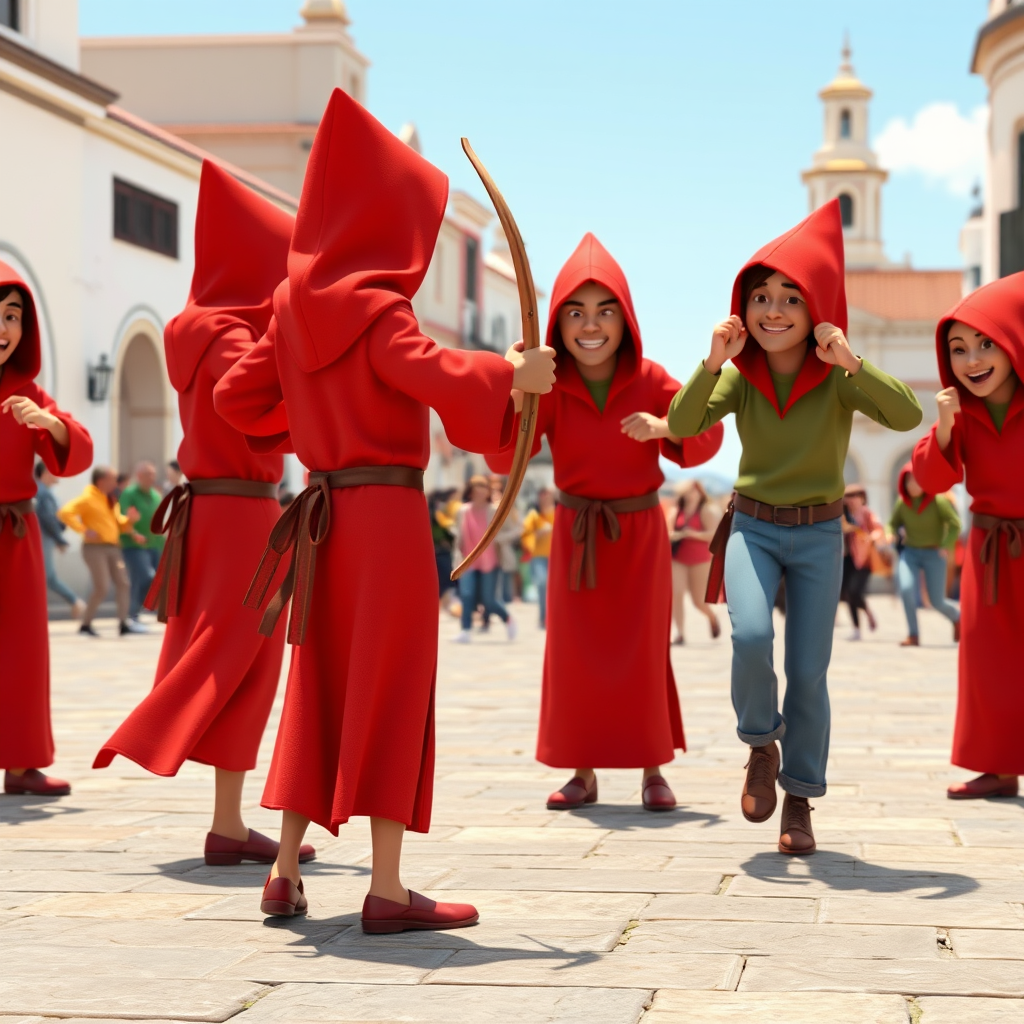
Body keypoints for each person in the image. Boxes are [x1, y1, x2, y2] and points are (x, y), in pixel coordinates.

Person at [213, 90, 556, 929]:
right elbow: (431, 373)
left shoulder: (293, 308)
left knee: (319, 688)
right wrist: (515, 376)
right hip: (388, 526)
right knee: (393, 688)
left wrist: (317, 424)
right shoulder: (379, 308)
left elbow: (234, 397)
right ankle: (389, 888)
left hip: (320, 520)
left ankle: (286, 872)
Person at [668, 200, 922, 854]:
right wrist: (712, 361)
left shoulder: (837, 381)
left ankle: (801, 799)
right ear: (742, 308)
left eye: (790, 297)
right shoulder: (742, 378)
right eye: (761, 296)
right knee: (750, 636)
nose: (773, 310)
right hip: (752, 528)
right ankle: (760, 745)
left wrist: (853, 363)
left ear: (817, 311)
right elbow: (685, 422)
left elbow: (905, 414)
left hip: (818, 537)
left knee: (808, 670)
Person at [94, 160, 307, 868]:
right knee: (230, 655)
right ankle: (148, 732)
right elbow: (259, 407)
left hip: (223, 514)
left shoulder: (201, 328)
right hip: (243, 517)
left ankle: (226, 824)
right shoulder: (230, 335)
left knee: (249, 668)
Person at [487, 233, 724, 813]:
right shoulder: (548, 381)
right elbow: (503, 459)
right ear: (559, 323)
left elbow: (706, 438)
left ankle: (652, 768)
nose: (590, 325)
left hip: (640, 534)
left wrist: (665, 429)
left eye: (604, 311)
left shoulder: (651, 376)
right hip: (574, 533)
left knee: (644, 650)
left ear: (625, 319)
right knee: (576, 653)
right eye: (575, 312)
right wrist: (517, 390)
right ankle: (582, 771)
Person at [911, 271, 1024, 800]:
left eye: (986, 343)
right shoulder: (962, 415)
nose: (972, 360)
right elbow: (931, 481)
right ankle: (996, 767)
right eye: (958, 349)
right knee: (988, 661)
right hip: (989, 551)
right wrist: (947, 430)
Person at [0, 263, 93, 796]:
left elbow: (74, 449)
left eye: (12, 315)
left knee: (22, 653)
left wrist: (48, 421)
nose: (4, 327)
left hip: (15, 537)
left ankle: (20, 762)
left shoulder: (28, 391)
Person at [58, 466, 144, 637]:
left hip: (113, 547)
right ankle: (86, 624)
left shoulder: (110, 499)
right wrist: (82, 529)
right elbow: (65, 512)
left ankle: (122, 623)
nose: (115, 482)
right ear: (101, 481)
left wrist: (129, 520)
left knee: (123, 583)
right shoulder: (88, 498)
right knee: (102, 586)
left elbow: (119, 523)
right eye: (113, 479)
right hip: (94, 549)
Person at [889, 464, 961, 647]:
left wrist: (946, 544)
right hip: (910, 553)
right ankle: (913, 635)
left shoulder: (939, 501)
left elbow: (955, 524)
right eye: (908, 480)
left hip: (934, 554)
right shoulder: (902, 503)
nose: (912, 485)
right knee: (905, 589)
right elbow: (892, 523)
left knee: (937, 601)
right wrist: (889, 533)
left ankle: (957, 617)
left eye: (916, 480)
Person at [452, 475, 516, 643]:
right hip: (467, 561)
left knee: (489, 600)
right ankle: (465, 630)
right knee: (466, 595)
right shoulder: (463, 510)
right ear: (471, 492)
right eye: (477, 489)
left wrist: (499, 538)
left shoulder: (495, 510)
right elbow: (459, 537)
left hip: (490, 561)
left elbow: (515, 530)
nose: (481, 493)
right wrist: (456, 559)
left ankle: (508, 619)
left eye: (484, 489)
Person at [669, 479, 721, 644]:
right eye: (689, 491)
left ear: (700, 492)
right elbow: (668, 531)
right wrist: (674, 535)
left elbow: (714, 535)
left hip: (700, 560)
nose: (692, 494)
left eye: (694, 491)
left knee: (698, 601)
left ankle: (712, 617)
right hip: (678, 558)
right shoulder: (676, 511)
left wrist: (691, 534)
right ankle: (680, 633)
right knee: (676, 594)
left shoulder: (706, 511)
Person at [34, 461, 85, 618]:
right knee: (47, 576)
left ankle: (74, 601)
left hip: (43, 538)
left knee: (44, 576)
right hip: (42, 538)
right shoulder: (43, 492)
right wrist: (60, 539)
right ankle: (75, 601)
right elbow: (47, 518)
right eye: (53, 471)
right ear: (45, 474)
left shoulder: (42, 491)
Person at [119, 461, 165, 628]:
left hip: (155, 545)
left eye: (153, 474)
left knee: (154, 579)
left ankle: (137, 613)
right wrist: (133, 533)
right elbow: (123, 516)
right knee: (144, 577)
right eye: (148, 474)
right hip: (134, 545)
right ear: (139, 476)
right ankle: (132, 614)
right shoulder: (129, 493)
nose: (151, 478)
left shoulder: (155, 495)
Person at [840, 484, 883, 641]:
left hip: (864, 560)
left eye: (854, 496)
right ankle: (857, 628)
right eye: (847, 497)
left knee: (855, 591)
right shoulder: (843, 514)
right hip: (847, 558)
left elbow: (878, 529)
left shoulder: (867, 513)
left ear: (862, 498)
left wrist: (871, 537)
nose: (850, 500)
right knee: (846, 593)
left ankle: (866, 613)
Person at [521, 487, 555, 628]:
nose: (545, 498)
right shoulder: (534, 515)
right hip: (539, 556)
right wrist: (537, 535)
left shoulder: (559, 513)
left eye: (547, 495)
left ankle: (553, 618)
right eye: (542, 495)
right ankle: (543, 618)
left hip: (557, 556)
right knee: (542, 584)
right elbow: (526, 535)